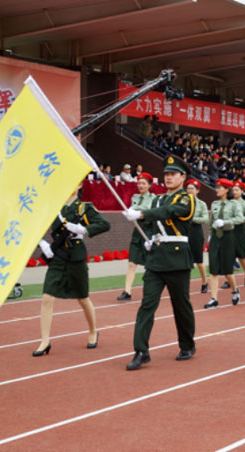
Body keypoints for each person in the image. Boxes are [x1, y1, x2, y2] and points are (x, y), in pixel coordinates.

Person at [122, 154, 197, 370]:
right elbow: (153, 223)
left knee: (180, 305)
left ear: (183, 177)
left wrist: (142, 213)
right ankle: (141, 350)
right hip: (156, 258)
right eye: (166, 174)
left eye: (173, 174)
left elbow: (170, 212)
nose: (169, 178)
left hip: (176, 258)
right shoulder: (157, 199)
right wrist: (149, 239)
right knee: (147, 305)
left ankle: (187, 344)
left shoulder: (186, 199)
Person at [33, 184, 110, 356]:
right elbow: (33, 225)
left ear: (80, 185)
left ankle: (92, 331)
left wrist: (84, 229)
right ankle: (45, 340)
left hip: (76, 256)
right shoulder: (54, 206)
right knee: (47, 296)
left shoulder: (84, 208)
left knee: (83, 298)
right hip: (57, 256)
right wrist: (42, 244)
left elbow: (104, 224)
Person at [118, 173, 156, 301]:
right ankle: (127, 291)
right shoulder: (135, 197)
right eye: (139, 183)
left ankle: (150, 290)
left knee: (149, 265)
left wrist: (138, 214)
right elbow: (133, 209)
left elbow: (151, 213)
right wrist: (129, 213)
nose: (140, 185)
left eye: (143, 183)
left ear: (149, 185)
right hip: (137, 232)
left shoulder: (154, 199)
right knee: (132, 263)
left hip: (148, 231)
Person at [206, 178, 239, 307]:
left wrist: (226, 222)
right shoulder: (214, 204)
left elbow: (239, 218)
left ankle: (235, 290)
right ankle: (214, 298)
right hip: (215, 236)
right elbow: (210, 221)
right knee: (213, 269)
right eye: (217, 187)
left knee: (227, 270)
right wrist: (210, 236)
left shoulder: (234, 204)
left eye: (220, 187)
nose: (217, 189)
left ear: (226, 189)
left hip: (228, 236)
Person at [184, 179, 209, 294]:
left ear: (197, 190)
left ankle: (204, 281)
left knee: (198, 260)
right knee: (185, 261)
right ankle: (185, 284)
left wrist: (192, 218)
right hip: (184, 232)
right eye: (188, 188)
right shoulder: (183, 201)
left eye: (192, 189)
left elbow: (205, 219)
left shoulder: (202, 204)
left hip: (196, 232)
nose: (189, 190)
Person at [229, 180, 245, 288]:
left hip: (239, 230)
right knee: (229, 256)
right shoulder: (229, 202)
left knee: (241, 257)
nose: (234, 192)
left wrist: (239, 219)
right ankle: (229, 278)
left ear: (242, 191)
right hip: (229, 229)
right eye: (233, 190)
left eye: (237, 190)